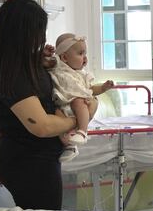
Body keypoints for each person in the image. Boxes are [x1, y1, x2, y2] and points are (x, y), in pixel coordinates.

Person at [0, 0, 97, 210]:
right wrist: (78, 120)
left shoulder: (21, 61)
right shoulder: (8, 70)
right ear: (22, 33)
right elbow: (42, 126)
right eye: (39, 32)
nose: (42, 38)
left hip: (40, 158)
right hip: (29, 163)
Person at [45, 33, 114, 161]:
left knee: (78, 101)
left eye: (85, 53)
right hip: (63, 104)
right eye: (81, 53)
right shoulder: (58, 65)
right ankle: (70, 146)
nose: (85, 58)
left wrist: (103, 88)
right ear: (64, 57)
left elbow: (90, 90)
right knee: (57, 117)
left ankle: (82, 131)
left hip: (78, 104)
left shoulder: (81, 74)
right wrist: (46, 54)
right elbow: (45, 62)